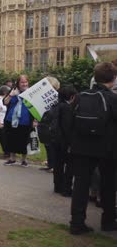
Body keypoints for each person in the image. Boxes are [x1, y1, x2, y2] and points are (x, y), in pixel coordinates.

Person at [69, 62, 117, 234]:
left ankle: (76, 223)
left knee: (81, 185)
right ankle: (108, 221)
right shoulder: (112, 98)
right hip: (107, 148)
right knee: (108, 185)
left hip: (81, 147)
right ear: (113, 78)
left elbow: (70, 121)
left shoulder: (81, 96)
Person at [3, 75, 33, 167]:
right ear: (18, 83)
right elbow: (5, 102)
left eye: (26, 82)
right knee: (11, 139)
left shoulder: (31, 92)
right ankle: (12, 158)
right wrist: (11, 95)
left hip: (25, 120)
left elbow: (36, 107)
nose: (24, 84)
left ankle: (24, 160)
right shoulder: (13, 91)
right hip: (12, 120)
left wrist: (35, 120)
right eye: (22, 82)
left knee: (24, 140)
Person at [52, 85, 77, 197]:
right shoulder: (67, 108)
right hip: (64, 141)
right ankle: (66, 188)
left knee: (58, 164)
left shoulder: (56, 105)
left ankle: (58, 186)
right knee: (70, 165)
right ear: (71, 97)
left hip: (55, 139)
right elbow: (67, 127)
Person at [40, 77, 61, 172]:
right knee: (47, 144)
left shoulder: (58, 97)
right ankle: (50, 164)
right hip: (45, 122)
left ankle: (54, 165)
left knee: (52, 145)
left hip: (52, 123)